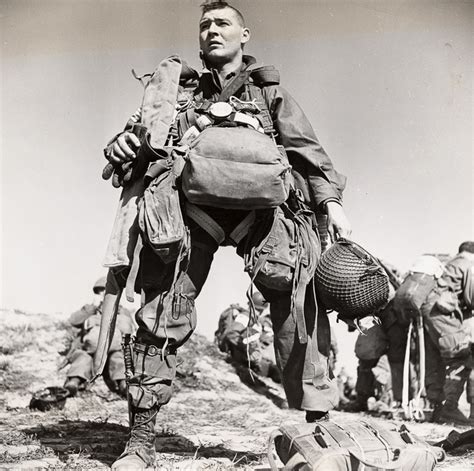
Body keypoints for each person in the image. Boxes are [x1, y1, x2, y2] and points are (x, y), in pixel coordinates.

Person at [104, 2, 351, 469]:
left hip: (264, 213)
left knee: (300, 301)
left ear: (245, 35)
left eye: (222, 24)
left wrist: (331, 205)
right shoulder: (176, 94)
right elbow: (139, 142)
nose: (212, 31)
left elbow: (307, 152)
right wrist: (123, 145)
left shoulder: (270, 94)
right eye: (205, 25)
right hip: (188, 213)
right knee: (162, 313)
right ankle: (139, 442)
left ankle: (320, 435)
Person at [421, 241, 474, 425]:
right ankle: (449, 409)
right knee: (460, 357)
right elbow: (471, 296)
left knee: (435, 361)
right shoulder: (466, 264)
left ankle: (438, 409)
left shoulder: (448, 264)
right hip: (443, 313)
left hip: (428, 312)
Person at [63, 277, 134, 397]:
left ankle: (124, 386)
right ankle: (73, 384)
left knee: (118, 360)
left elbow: (129, 328)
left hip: (114, 350)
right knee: (82, 359)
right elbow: (74, 321)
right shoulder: (89, 309)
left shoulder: (122, 310)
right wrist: (92, 308)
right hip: (90, 350)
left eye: (106, 291)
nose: (103, 294)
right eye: (100, 291)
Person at [215, 291, 280, 382]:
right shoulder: (246, 316)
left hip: (241, 354)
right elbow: (231, 334)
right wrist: (248, 350)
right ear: (262, 309)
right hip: (239, 355)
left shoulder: (249, 316)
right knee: (275, 372)